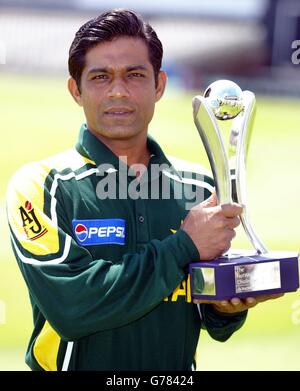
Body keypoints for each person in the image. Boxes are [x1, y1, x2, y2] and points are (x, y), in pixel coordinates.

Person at [6, 9, 281, 371]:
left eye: (134, 75)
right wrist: (184, 245)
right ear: (76, 90)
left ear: (159, 85)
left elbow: (206, 315)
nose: (118, 91)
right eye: (101, 77)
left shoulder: (199, 188)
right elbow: (73, 309)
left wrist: (224, 308)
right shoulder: (42, 186)